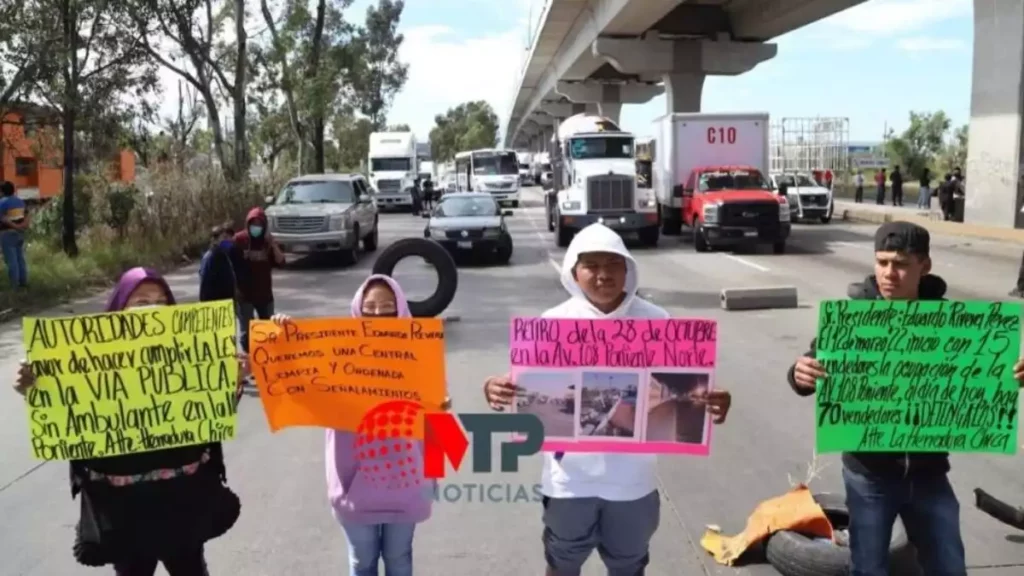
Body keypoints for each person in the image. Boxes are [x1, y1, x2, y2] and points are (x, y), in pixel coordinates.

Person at [482, 223, 732, 576]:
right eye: (591, 266)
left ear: (627, 268)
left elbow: (687, 396)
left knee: (629, 567)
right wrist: (496, 389)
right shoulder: (550, 324)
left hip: (633, 484)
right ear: (574, 272)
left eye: (612, 264)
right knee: (561, 565)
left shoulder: (658, 323)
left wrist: (712, 403)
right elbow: (524, 392)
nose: (602, 275)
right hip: (568, 483)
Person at [786, 222, 1024, 576]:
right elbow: (809, 371)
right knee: (868, 568)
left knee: (949, 565)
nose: (888, 273)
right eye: (881, 262)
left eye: (899, 263)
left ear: (923, 266)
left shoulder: (952, 324)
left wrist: (1012, 374)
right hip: (869, 477)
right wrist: (799, 374)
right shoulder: (852, 321)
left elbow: (984, 379)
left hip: (930, 474)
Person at [13, 267, 246, 576]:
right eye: (141, 302)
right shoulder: (89, 358)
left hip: (183, 501)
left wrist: (231, 382)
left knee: (190, 568)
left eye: (162, 302)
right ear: (120, 306)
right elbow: (70, 416)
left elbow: (211, 416)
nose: (153, 310)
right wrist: (35, 389)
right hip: (123, 509)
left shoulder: (190, 352)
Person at [270, 274, 449, 576]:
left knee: (400, 559)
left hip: (407, 485)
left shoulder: (422, 354)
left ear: (401, 309)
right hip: (354, 486)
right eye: (370, 307)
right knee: (361, 563)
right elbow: (301, 391)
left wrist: (432, 478)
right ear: (358, 309)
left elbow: (438, 424)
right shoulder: (335, 354)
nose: (378, 313)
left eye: (387, 306)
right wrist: (283, 341)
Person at [232, 208, 284, 353]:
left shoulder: (268, 242)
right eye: (252, 224)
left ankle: (267, 362)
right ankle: (250, 363)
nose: (256, 227)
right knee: (246, 333)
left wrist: (273, 244)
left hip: (265, 295)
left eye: (259, 224)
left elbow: (281, 261)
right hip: (244, 295)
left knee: (268, 331)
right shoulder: (239, 240)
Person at [0, 180, 29, 288]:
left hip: (7, 234)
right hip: (20, 234)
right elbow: (27, 215)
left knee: (11, 260)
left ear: (2, 191)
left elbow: (3, 219)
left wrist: (15, 226)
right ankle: (24, 282)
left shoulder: (2, 202)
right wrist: (22, 226)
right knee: (20, 258)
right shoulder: (20, 202)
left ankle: (15, 286)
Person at [200, 222, 238, 303]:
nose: (228, 240)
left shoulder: (223, 255)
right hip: (218, 306)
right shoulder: (211, 257)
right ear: (215, 240)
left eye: (229, 237)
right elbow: (205, 287)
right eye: (224, 237)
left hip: (227, 303)